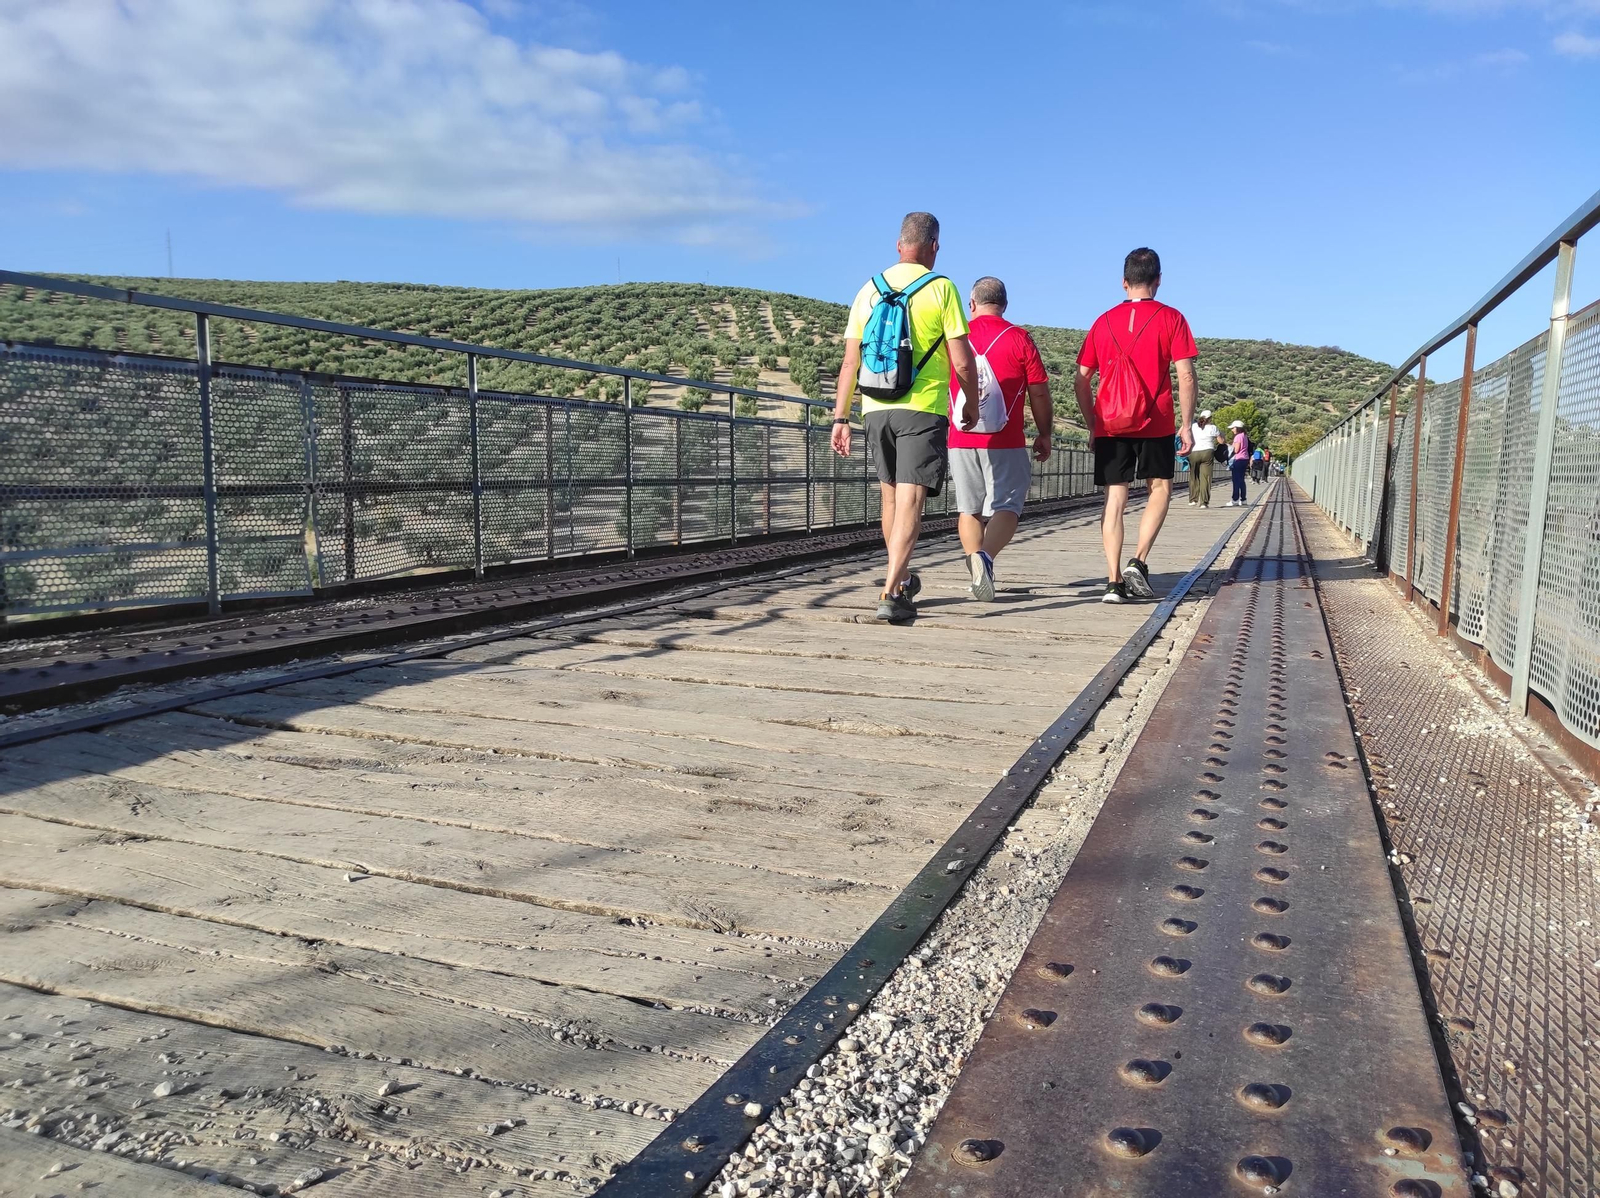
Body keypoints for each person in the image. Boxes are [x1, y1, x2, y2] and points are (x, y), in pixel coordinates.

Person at [834, 212, 980, 622]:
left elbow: (849, 362)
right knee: (911, 502)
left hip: (875, 407)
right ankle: (890, 591)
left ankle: (900, 581)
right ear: (934, 246)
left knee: (891, 499)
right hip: (923, 407)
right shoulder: (942, 288)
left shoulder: (868, 289)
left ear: (899, 246)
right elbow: (963, 363)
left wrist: (840, 418)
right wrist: (969, 402)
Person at [1074, 247, 1198, 604]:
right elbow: (1186, 376)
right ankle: (1139, 561)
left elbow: (1081, 380)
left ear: (1124, 282)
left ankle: (1113, 582)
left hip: (1111, 423)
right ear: (1158, 280)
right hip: (1155, 420)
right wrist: (1186, 425)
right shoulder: (1172, 318)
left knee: (1115, 497)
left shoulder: (1102, 322)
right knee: (1159, 487)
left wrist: (1093, 424)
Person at [947, 276, 1053, 601]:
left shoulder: (953, 334)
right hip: (1005, 438)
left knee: (969, 509)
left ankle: (975, 566)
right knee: (1007, 505)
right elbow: (1038, 392)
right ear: (1004, 305)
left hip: (960, 436)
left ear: (972, 303)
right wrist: (1044, 432)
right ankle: (985, 558)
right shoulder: (1019, 338)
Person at [1188, 409, 1220, 508]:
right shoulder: (1213, 427)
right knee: (1205, 478)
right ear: (1210, 418)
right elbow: (1221, 441)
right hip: (1207, 452)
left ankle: (1193, 499)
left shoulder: (1193, 426)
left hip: (1194, 452)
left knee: (1194, 476)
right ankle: (1203, 502)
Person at [1227, 419, 1250, 506]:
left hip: (1239, 459)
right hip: (1245, 459)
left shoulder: (1238, 437)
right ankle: (1243, 499)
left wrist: (1230, 448)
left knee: (1236, 480)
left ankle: (1235, 499)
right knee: (1241, 480)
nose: (1232, 430)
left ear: (1237, 428)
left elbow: (1236, 450)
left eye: (1233, 428)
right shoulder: (1245, 436)